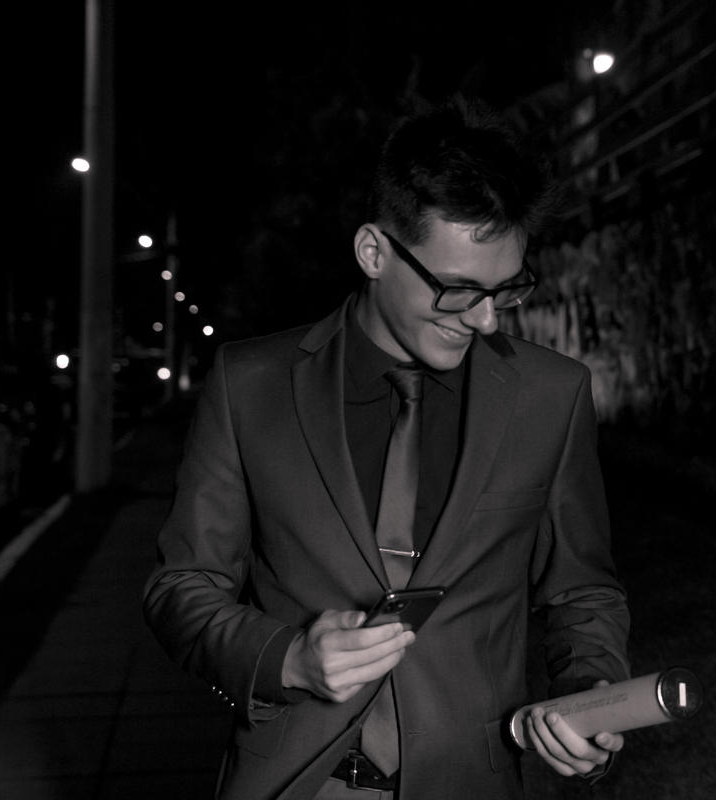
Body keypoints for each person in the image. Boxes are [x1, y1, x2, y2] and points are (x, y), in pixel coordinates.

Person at [143, 97, 630, 800]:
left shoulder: (551, 395)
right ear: (374, 252)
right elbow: (181, 588)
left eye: (506, 291)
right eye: (459, 289)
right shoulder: (249, 385)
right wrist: (289, 659)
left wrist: (593, 694)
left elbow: (582, 589)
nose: (486, 320)